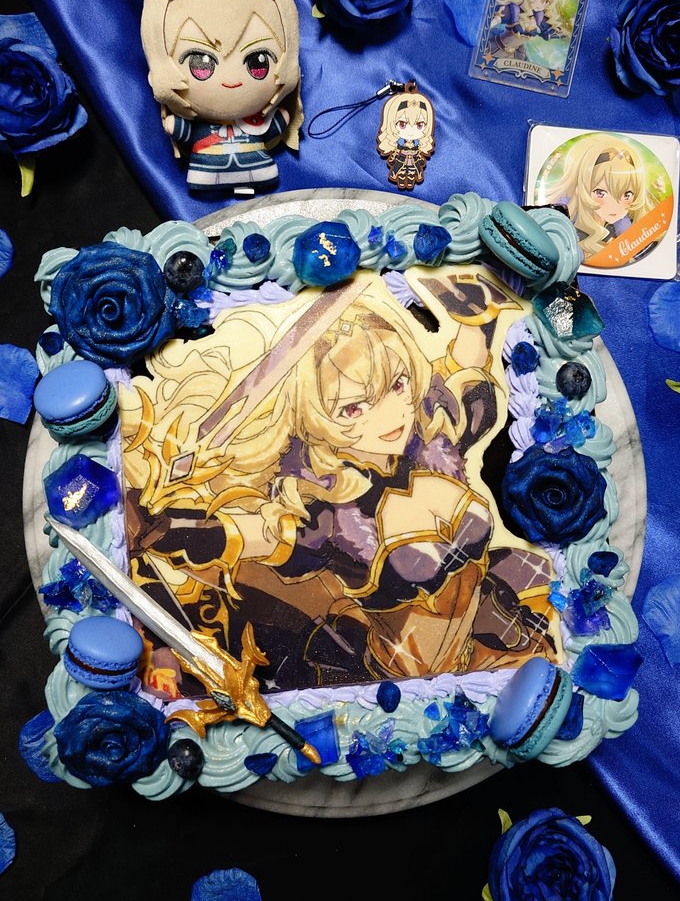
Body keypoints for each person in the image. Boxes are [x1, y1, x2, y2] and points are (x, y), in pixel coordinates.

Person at [121, 270, 558, 697]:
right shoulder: (331, 513)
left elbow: (469, 359)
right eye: (353, 408)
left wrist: (476, 304)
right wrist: (170, 527)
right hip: (404, 677)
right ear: (316, 418)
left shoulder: (434, 444)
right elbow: (254, 534)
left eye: (398, 385)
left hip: (501, 640)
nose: (391, 414)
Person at [140, 0, 303, 196]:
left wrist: (281, 120)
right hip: (205, 171)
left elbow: (273, 126)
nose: (231, 80)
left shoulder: (257, 122)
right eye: (201, 65)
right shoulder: (202, 127)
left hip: (259, 169)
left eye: (258, 63)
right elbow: (186, 132)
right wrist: (176, 126)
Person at [542, 134, 652, 257]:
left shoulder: (624, 224)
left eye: (627, 195)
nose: (615, 207)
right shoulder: (566, 222)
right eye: (600, 193)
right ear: (579, 188)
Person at [488, 0, 564, 61]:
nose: (539, 4)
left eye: (546, 1)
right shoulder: (513, 9)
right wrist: (489, 24)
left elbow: (546, 33)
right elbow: (496, 19)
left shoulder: (541, 19)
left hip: (517, 54)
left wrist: (558, 33)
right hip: (497, 47)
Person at [376, 84, 435, 191]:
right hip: (401, 158)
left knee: (414, 170)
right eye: (402, 124)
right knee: (400, 170)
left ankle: (417, 175)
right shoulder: (399, 143)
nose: (411, 131)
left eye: (419, 125)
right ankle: (396, 175)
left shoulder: (417, 145)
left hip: (413, 161)